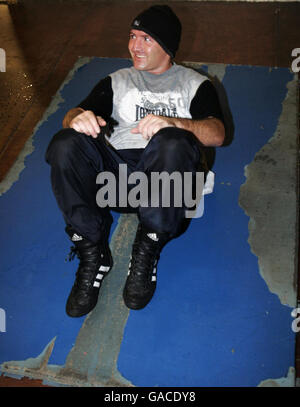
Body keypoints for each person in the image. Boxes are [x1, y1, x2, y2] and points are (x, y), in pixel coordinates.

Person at [45, 5, 225, 317]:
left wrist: (174, 124)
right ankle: (93, 252)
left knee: (171, 142)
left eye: (146, 39)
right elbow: (71, 115)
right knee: (64, 144)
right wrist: (79, 118)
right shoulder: (117, 81)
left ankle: (148, 245)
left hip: (166, 188)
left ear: (166, 46)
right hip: (114, 182)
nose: (134, 46)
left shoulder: (194, 85)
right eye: (132, 36)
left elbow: (217, 133)